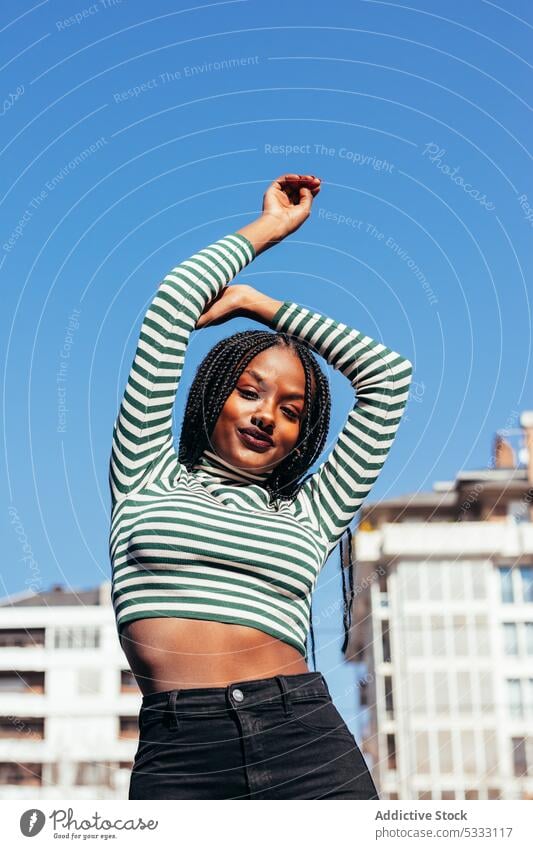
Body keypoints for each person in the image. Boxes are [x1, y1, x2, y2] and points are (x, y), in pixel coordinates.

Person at [108, 173, 412, 799]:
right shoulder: (143, 470)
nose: (266, 414)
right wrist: (270, 227)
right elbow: (172, 303)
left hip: (303, 736)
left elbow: (388, 377)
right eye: (249, 392)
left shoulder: (312, 510)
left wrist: (259, 304)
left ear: (301, 435)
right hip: (180, 751)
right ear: (214, 397)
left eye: (292, 409)